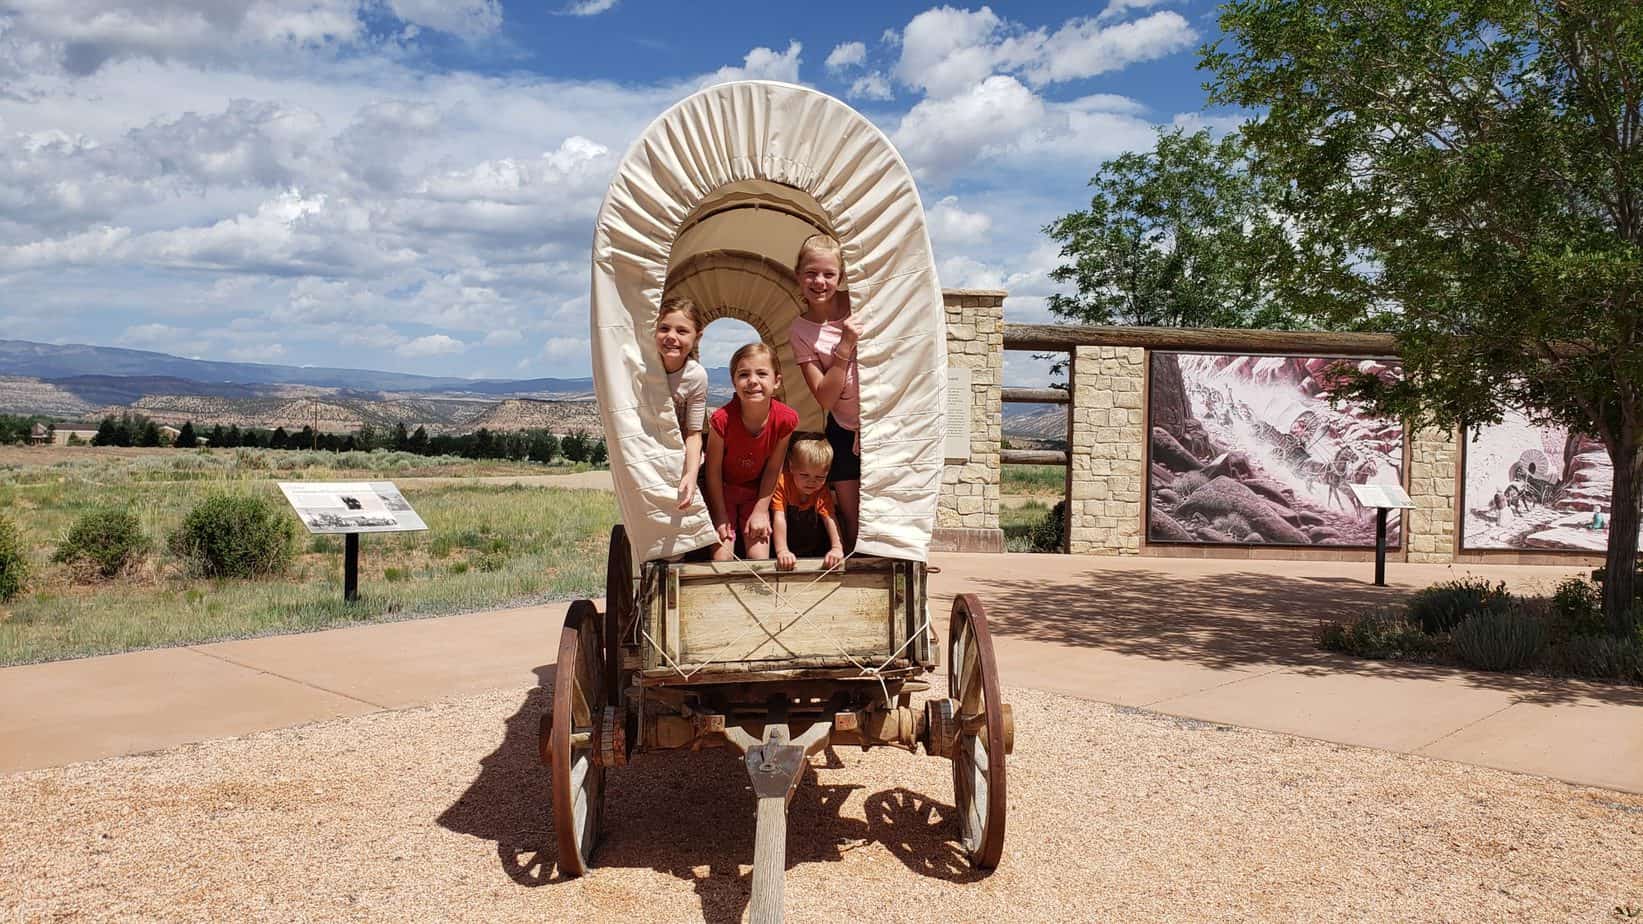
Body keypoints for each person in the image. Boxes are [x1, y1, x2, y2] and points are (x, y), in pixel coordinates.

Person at [788, 233, 861, 550]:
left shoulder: (859, 303)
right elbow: (825, 397)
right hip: (843, 428)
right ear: (798, 276)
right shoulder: (801, 330)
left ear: (841, 277)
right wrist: (845, 347)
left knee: (887, 505)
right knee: (852, 512)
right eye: (811, 273)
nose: (819, 281)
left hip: (882, 421)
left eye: (829, 274)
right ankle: (862, 574)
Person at [705, 342, 797, 561]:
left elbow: (774, 468)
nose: (753, 381)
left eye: (762, 374)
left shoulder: (785, 420)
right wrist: (720, 515)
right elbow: (713, 471)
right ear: (734, 382)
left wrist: (761, 510)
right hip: (723, 491)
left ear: (776, 381)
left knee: (759, 559)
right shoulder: (722, 420)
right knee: (722, 558)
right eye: (744, 374)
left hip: (757, 493)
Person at [655, 296, 708, 510]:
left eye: (682, 331)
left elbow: (694, 434)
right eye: (664, 328)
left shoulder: (695, 376)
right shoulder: (643, 366)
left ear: (697, 337)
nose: (671, 337)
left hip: (678, 454)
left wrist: (691, 473)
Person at [772, 434, 845, 570]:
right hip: (784, 543)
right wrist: (782, 551)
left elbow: (830, 518)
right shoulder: (782, 483)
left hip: (811, 545)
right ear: (792, 467)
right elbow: (779, 517)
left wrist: (837, 548)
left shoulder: (822, 490)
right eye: (805, 475)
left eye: (819, 477)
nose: (812, 481)